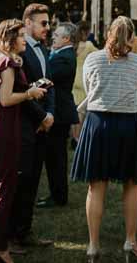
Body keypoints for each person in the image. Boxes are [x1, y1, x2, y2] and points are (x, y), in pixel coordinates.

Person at [73, 16, 137, 262]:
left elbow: (88, 88)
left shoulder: (92, 58)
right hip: (127, 124)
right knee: (132, 183)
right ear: (131, 37)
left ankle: (93, 246)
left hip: (98, 124)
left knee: (96, 185)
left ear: (108, 33)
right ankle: (130, 241)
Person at [0, 20, 47, 263]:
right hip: (3, 128)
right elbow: (6, 99)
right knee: (4, 191)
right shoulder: (7, 62)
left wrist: (29, 88)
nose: (25, 41)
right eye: (21, 37)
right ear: (10, 39)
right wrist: (30, 94)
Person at [8, 3, 55, 251]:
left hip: (42, 124)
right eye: (43, 23)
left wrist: (51, 114)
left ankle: (25, 231)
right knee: (20, 181)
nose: (48, 27)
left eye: (48, 23)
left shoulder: (43, 50)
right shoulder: (19, 51)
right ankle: (11, 235)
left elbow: (50, 85)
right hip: (24, 125)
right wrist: (41, 117)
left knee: (34, 181)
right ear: (27, 23)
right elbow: (19, 91)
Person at [41, 21, 79, 208]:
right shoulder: (60, 54)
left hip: (60, 112)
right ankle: (57, 194)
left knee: (56, 157)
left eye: (56, 35)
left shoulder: (65, 57)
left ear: (66, 39)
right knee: (54, 155)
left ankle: (58, 196)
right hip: (59, 110)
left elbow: (46, 79)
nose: (52, 37)